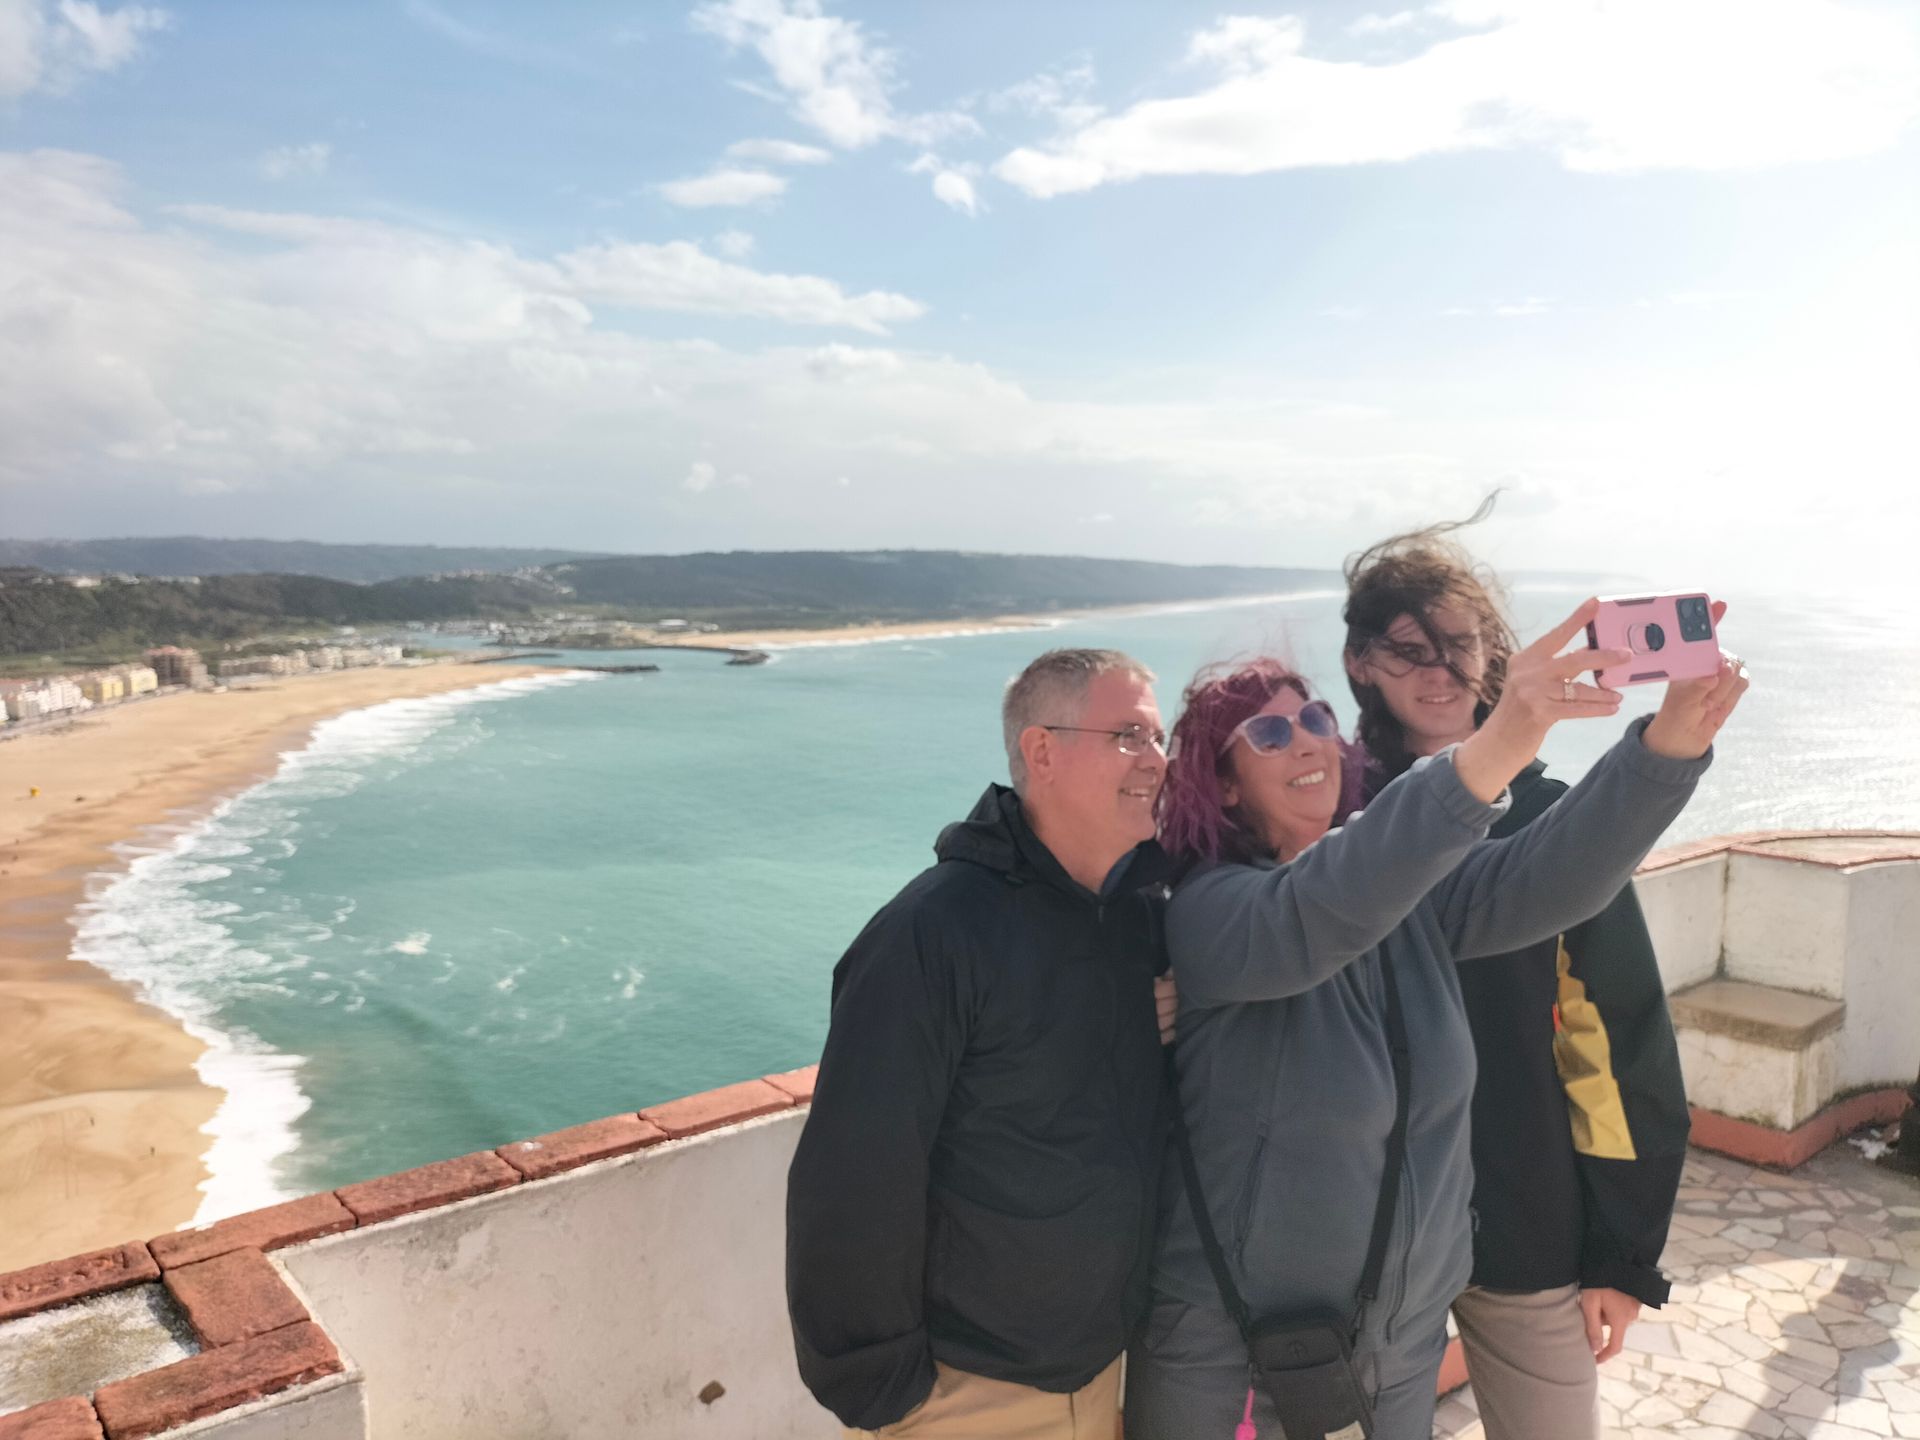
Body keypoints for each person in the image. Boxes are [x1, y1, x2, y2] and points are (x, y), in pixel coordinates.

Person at [1125, 599, 1747, 1440]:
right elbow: (1327, 905)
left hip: (1395, 1347)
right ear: (1225, 786)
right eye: (1267, 736)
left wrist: (1671, 740)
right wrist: (1502, 740)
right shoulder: (1216, 914)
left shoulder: (1405, 894)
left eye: (1311, 718)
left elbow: (1546, 875)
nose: (1305, 739)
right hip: (1235, 1358)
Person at [1342, 527, 1694, 1440]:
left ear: (1496, 656)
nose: (1441, 672)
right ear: (1360, 662)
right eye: (1409, 651)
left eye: (1461, 646)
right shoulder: (1329, 813)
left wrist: (1620, 1251)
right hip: (1365, 1232)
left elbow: (1615, 1036)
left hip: (1523, 1220)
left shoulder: (1557, 820)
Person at [787, 647, 1175, 1439]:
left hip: (1105, 1369)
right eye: (1130, 736)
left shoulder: (1136, 915)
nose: (1158, 761)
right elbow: (855, 1171)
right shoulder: (932, 932)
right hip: (972, 1394)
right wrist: (885, 1386)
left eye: (1160, 738)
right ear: (1042, 752)